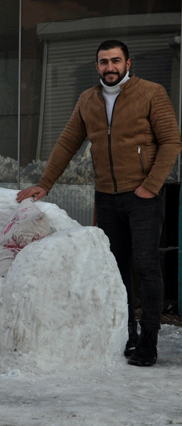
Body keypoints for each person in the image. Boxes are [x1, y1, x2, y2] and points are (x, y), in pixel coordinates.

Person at [17, 40, 182, 367]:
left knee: (147, 266)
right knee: (116, 267)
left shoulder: (151, 93)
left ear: (128, 63)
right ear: (97, 66)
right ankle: (127, 335)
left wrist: (151, 185)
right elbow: (67, 143)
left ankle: (148, 342)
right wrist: (44, 183)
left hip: (144, 196)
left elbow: (171, 141)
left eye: (116, 61)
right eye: (104, 62)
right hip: (106, 197)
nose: (110, 67)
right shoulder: (87, 100)